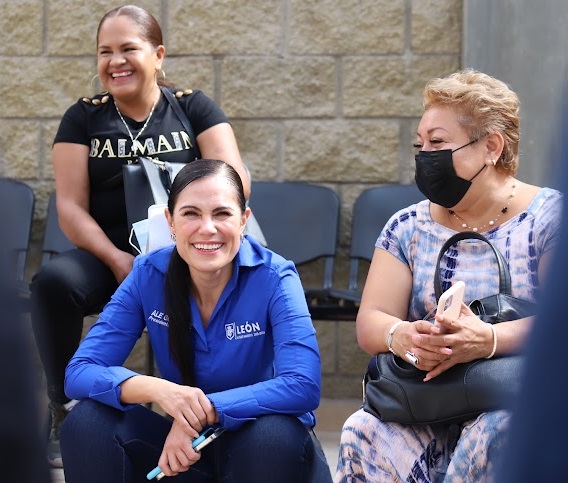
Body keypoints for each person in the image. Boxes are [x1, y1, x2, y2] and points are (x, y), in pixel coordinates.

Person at [29, 4, 249, 468]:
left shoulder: (192, 107)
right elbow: (69, 206)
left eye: (129, 48)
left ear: (158, 54)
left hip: (187, 250)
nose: (116, 61)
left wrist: (192, 241)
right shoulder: (83, 118)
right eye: (104, 52)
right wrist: (115, 259)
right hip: (112, 254)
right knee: (53, 281)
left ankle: (213, 410)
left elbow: (235, 179)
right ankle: (61, 407)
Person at [335, 69, 563, 482]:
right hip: (430, 399)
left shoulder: (549, 219)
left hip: (516, 398)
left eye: (438, 143)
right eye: (420, 144)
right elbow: (371, 322)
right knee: (362, 430)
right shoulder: (406, 227)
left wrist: (487, 340)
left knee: (499, 431)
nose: (425, 155)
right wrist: (402, 336)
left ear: (491, 146)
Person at [59, 159, 332, 482]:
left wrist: (197, 414)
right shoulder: (148, 273)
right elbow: (79, 372)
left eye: (222, 213)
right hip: (186, 455)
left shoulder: (275, 276)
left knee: (272, 434)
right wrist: (162, 392)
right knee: (86, 421)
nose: (207, 228)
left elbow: (302, 386)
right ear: (170, 222)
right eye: (191, 213)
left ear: (244, 220)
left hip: (261, 451)